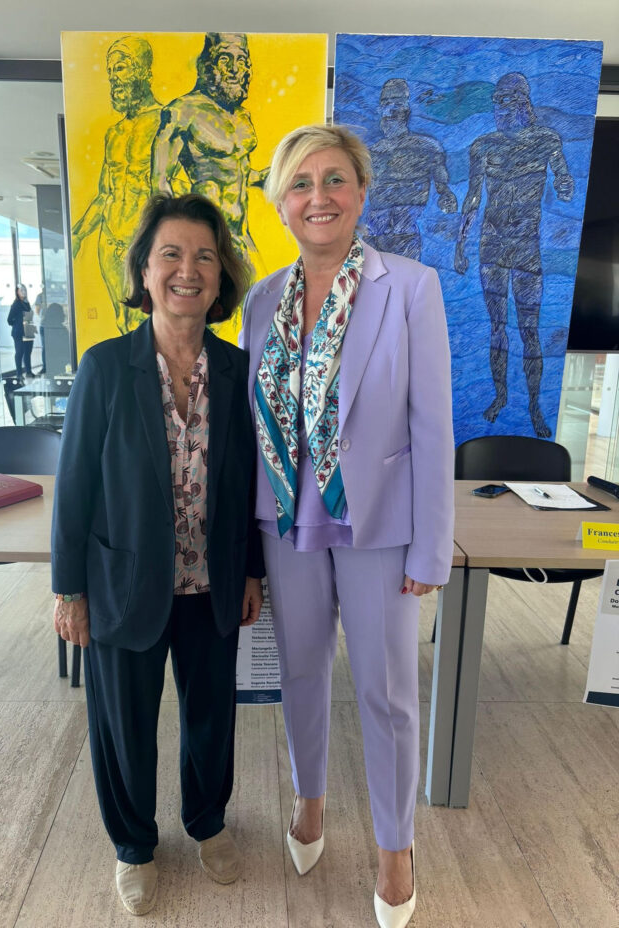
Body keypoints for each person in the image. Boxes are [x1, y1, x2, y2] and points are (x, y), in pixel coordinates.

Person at [240, 125, 454, 928]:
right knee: (299, 671)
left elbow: (433, 424)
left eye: (334, 179)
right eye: (300, 183)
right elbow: (253, 429)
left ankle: (396, 848)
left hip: (380, 524)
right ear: (281, 204)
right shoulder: (262, 300)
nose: (318, 196)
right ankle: (310, 800)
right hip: (285, 520)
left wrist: (432, 546)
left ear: (361, 193)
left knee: (386, 690)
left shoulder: (411, 287)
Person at [52, 193, 264, 917]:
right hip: (123, 581)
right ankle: (133, 845)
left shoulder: (236, 370)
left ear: (220, 275)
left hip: (212, 580)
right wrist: (68, 589)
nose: (187, 270)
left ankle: (207, 821)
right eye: (170, 254)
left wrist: (253, 569)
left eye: (204, 256)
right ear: (144, 271)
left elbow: (248, 481)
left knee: (211, 718)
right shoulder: (105, 367)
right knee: (123, 725)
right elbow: (74, 486)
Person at [454, 72, 574, 438]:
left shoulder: (547, 140)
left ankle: (535, 405)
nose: (499, 108)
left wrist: (565, 186)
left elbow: (564, 180)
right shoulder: (483, 146)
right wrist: (460, 245)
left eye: (506, 101)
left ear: (524, 102)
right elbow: (473, 198)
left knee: (529, 329)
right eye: (496, 102)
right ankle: (501, 396)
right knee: (497, 327)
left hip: (525, 247)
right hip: (491, 246)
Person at [71, 35, 163, 334]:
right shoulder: (114, 133)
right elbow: (105, 195)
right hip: (109, 243)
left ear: (143, 71)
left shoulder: (166, 123)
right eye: (111, 71)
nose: (114, 78)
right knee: (123, 323)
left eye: (121, 68)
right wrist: (78, 234)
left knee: (146, 324)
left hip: (145, 247)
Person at [152, 33, 268, 266]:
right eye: (225, 59)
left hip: (240, 235)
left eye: (241, 60)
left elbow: (235, 171)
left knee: (269, 287)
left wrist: (265, 177)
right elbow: (160, 183)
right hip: (204, 242)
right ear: (208, 65)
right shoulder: (182, 111)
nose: (234, 69)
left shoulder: (242, 117)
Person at [367, 78, 457, 260]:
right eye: (386, 104)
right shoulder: (371, 154)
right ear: (380, 110)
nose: (391, 110)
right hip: (374, 238)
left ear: (406, 110)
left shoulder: (428, 149)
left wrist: (447, 201)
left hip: (405, 238)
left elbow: (445, 192)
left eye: (397, 104)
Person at [7, 284, 33, 380]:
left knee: (28, 352)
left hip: (28, 330)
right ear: (17, 292)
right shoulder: (16, 304)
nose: (24, 292)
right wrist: (18, 324)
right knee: (19, 352)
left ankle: (29, 372)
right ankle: (19, 374)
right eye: (21, 290)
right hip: (19, 332)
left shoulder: (26, 303)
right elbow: (9, 320)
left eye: (25, 290)